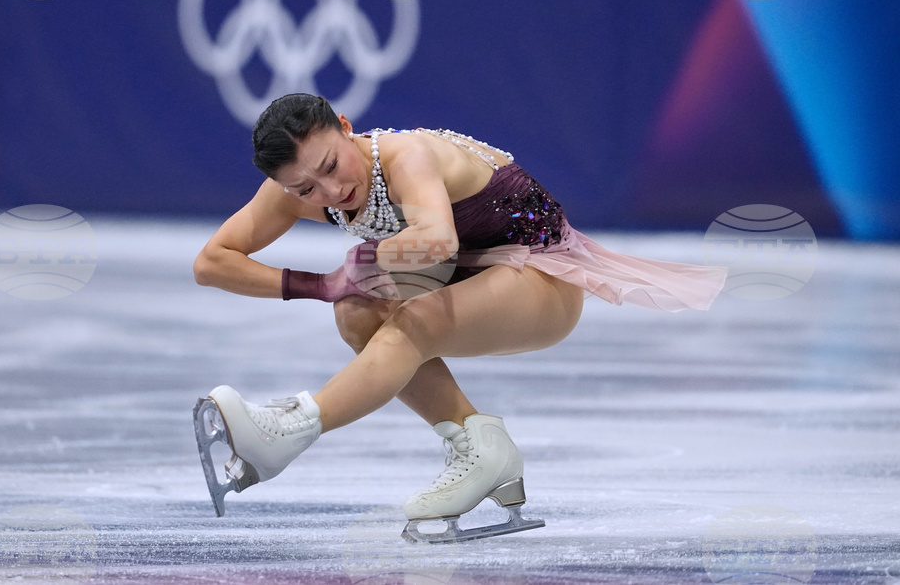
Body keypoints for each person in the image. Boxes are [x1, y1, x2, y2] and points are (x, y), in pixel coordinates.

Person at [191, 93, 727, 542]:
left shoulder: (406, 157)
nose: (329, 192)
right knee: (354, 311)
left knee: (410, 318)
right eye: (305, 189)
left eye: (331, 166)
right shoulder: (296, 191)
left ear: (347, 128)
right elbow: (212, 262)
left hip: (541, 274)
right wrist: (318, 285)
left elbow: (437, 238)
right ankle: (481, 445)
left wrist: (363, 259)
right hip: (464, 272)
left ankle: (290, 432)